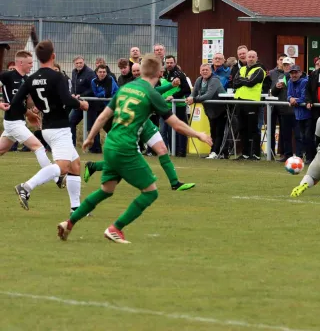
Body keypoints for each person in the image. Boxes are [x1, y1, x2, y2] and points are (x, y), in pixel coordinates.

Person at [57, 54, 212, 244]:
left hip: (111, 143)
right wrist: (200, 135)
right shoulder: (152, 93)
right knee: (150, 192)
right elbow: (177, 125)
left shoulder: (125, 88)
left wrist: (89, 137)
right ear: (159, 72)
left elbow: (104, 116)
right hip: (126, 147)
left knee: (106, 190)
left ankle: (69, 223)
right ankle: (115, 228)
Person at [6, 40, 89, 212]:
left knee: (75, 166)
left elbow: (14, 102)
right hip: (60, 128)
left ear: (37, 58)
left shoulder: (31, 79)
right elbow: (67, 100)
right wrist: (81, 104)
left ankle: (76, 208)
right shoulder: (57, 77)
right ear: (53, 56)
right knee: (63, 166)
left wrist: (28, 112)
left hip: (47, 128)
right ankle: (26, 186)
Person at [84, 77, 196, 191]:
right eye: (135, 71)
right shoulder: (129, 87)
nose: (137, 72)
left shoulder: (145, 85)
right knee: (125, 161)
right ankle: (93, 166)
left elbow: (156, 91)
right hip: (132, 127)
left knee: (162, 149)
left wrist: (171, 85)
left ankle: (175, 183)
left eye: (139, 70)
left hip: (146, 125)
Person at [0, 50, 59, 179]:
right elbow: (14, 104)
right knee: (38, 147)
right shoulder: (7, 76)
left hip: (19, 121)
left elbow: (29, 102)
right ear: (21, 63)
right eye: (30, 63)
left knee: (1, 150)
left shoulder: (27, 80)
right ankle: (56, 177)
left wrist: (36, 108)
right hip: (12, 121)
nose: (32, 65)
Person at [187, 63, 227, 159]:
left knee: (219, 131)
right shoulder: (199, 80)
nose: (204, 71)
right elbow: (194, 92)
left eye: (207, 70)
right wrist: (190, 98)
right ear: (200, 71)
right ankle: (213, 152)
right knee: (212, 131)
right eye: (203, 70)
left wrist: (194, 99)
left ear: (210, 71)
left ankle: (217, 152)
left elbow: (209, 95)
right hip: (210, 110)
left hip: (221, 109)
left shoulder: (215, 80)